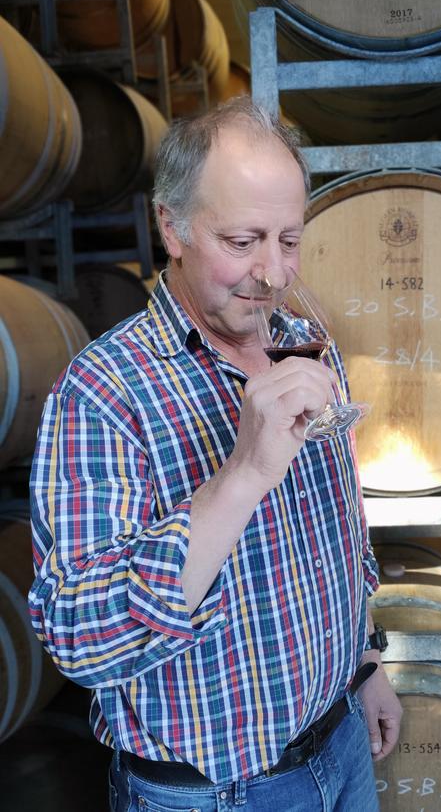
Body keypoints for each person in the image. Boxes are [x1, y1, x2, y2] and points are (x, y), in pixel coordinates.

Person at [28, 96, 402, 811]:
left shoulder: (302, 343)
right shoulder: (104, 393)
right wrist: (243, 475)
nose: (274, 272)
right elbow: (81, 638)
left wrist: (364, 664)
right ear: (171, 226)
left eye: (289, 239)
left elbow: (338, 530)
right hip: (217, 794)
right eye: (243, 241)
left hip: (342, 744)